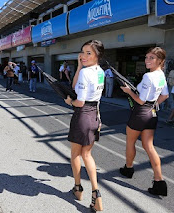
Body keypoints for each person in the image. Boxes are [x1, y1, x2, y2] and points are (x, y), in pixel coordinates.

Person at [119, 47, 169, 196]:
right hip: (152, 113)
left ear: (160, 60)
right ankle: (159, 182)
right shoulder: (161, 75)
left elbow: (140, 100)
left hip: (140, 113)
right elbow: (165, 96)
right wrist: (154, 105)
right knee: (149, 146)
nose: (147, 60)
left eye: (151, 58)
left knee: (130, 142)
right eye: (146, 57)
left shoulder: (149, 76)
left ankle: (128, 169)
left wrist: (128, 92)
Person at [64, 40, 105, 212]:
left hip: (82, 115)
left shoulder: (85, 73)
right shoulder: (101, 72)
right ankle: (96, 193)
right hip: (94, 115)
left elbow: (79, 101)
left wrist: (69, 101)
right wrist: (80, 67)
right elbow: (76, 86)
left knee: (75, 154)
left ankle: (78, 188)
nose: (84, 56)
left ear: (97, 55)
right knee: (87, 155)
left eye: (89, 53)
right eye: (83, 52)